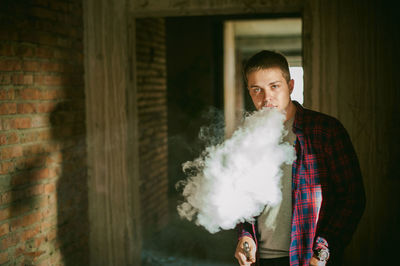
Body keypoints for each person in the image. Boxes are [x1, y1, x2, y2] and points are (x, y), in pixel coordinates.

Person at [234, 50, 366, 266]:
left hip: (309, 258)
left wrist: (324, 250)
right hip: (261, 259)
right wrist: (245, 235)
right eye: (257, 89)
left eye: (274, 86)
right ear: (249, 91)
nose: (266, 98)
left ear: (291, 86)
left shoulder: (325, 130)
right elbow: (241, 199)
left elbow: (352, 197)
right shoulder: (246, 137)